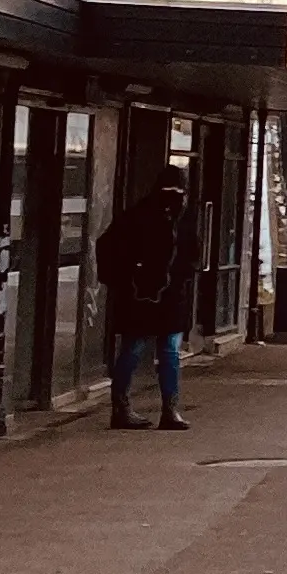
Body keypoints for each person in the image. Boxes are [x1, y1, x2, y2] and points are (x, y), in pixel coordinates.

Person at [100, 178, 197, 432]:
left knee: (143, 349)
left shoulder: (138, 216)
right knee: (162, 352)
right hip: (149, 295)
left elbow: (191, 255)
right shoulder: (173, 219)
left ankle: (131, 407)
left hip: (151, 296)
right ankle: (166, 409)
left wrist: (125, 282)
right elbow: (191, 255)